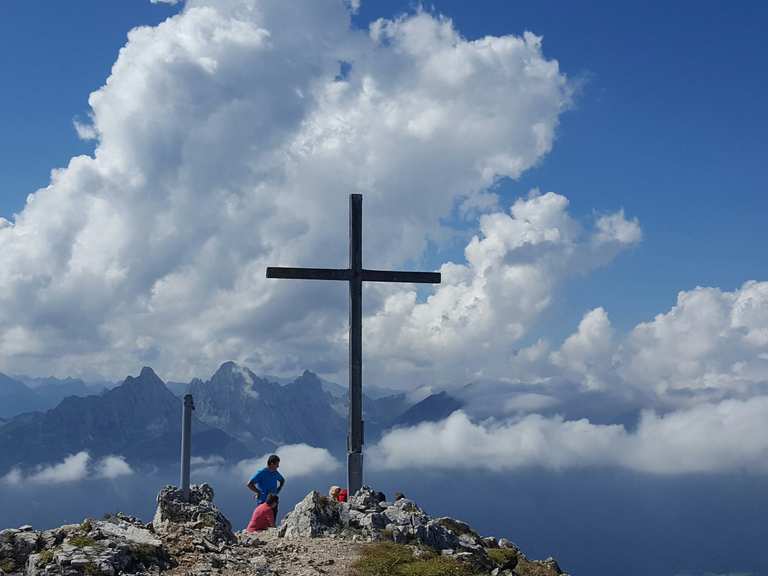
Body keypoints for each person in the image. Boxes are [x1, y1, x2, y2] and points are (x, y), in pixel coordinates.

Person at [247, 454, 285, 521]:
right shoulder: (261, 473)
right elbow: (249, 484)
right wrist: (258, 492)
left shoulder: (275, 472)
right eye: (277, 464)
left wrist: (279, 489)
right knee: (262, 521)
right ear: (271, 463)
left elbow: (282, 480)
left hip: (273, 501)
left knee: (272, 521)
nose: (278, 466)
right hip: (263, 501)